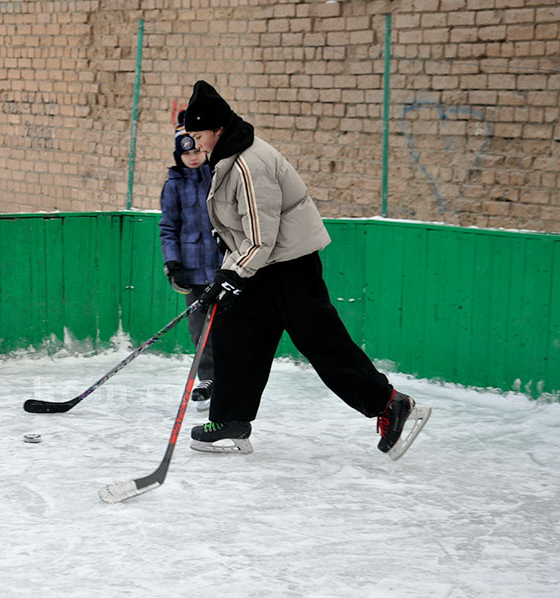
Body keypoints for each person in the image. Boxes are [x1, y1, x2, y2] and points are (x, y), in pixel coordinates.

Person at [184, 80, 431, 460]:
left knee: (322, 343)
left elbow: (261, 235)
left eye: (200, 135)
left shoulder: (250, 163)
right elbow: (241, 234)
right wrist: (230, 272)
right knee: (236, 333)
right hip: (261, 266)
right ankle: (231, 418)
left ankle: (390, 404)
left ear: (218, 128)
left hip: (289, 268)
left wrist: (232, 274)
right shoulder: (230, 156)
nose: (197, 145)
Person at [158, 110, 221, 411]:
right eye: (187, 153)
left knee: (226, 327)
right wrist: (173, 264)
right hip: (192, 271)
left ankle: (231, 379)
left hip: (223, 270)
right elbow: (168, 228)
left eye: (197, 150)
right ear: (178, 155)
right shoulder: (174, 186)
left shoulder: (219, 177)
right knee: (199, 329)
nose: (193, 157)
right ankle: (207, 378)